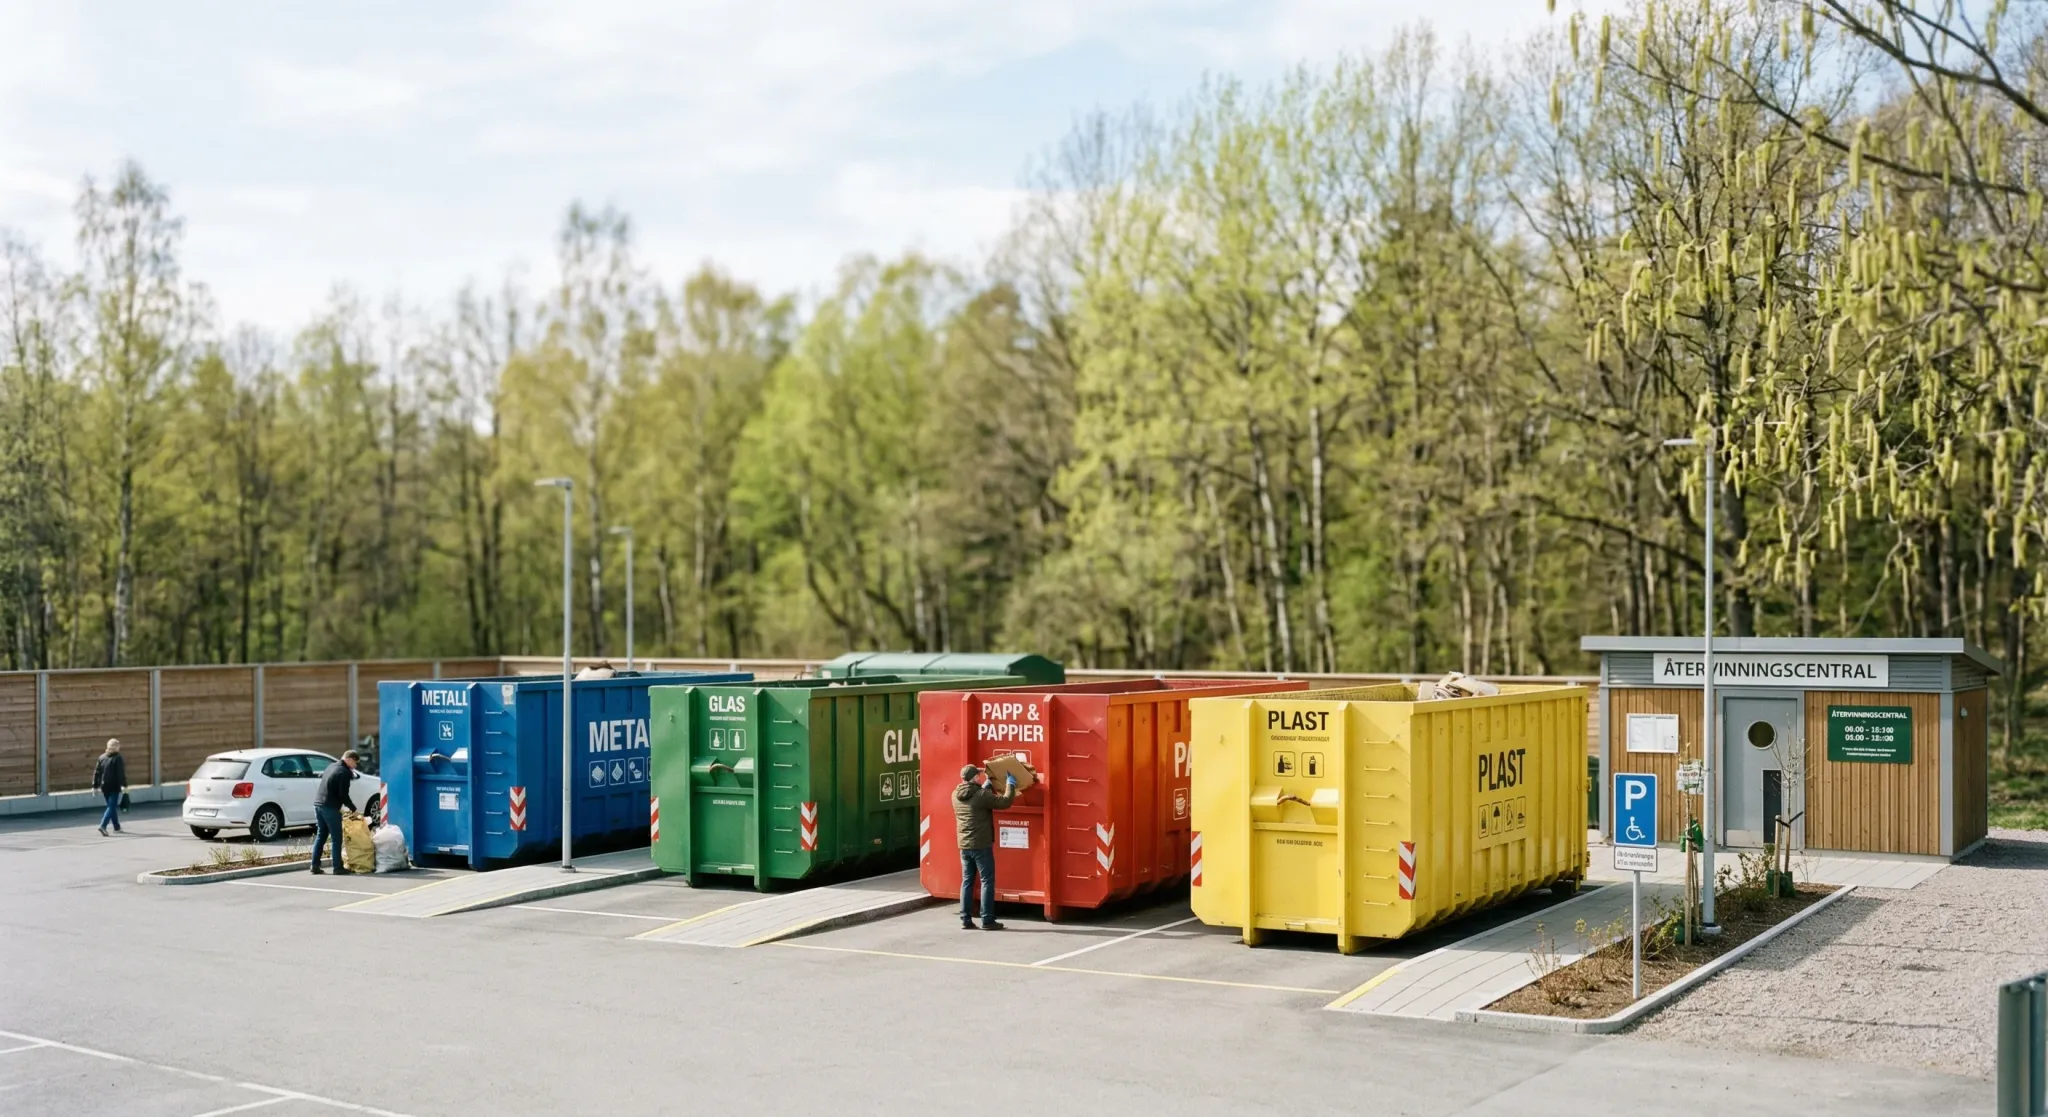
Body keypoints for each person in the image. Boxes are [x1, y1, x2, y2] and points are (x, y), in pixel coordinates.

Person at [953, 763, 1018, 931]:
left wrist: (986, 785)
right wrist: (1010, 784)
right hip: (981, 845)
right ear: (974, 778)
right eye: (978, 776)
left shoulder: (955, 795)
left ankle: (965, 919)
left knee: (967, 881)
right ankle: (987, 919)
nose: (980, 777)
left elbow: (973, 797)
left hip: (964, 845)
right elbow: (1004, 802)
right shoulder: (981, 795)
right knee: (986, 881)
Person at [311, 749, 361, 875]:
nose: (355, 766)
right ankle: (337, 867)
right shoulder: (344, 772)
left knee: (321, 835)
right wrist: (354, 809)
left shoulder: (331, 766)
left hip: (318, 805)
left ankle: (314, 865)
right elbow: (343, 795)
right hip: (330, 807)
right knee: (336, 838)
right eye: (355, 763)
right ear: (349, 759)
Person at [91, 739, 127, 837]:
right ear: (116, 747)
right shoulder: (118, 758)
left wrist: (94, 786)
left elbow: (97, 772)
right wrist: (124, 785)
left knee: (111, 806)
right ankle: (103, 825)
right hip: (114, 786)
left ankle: (117, 826)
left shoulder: (101, 757)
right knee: (111, 807)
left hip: (104, 786)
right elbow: (120, 773)